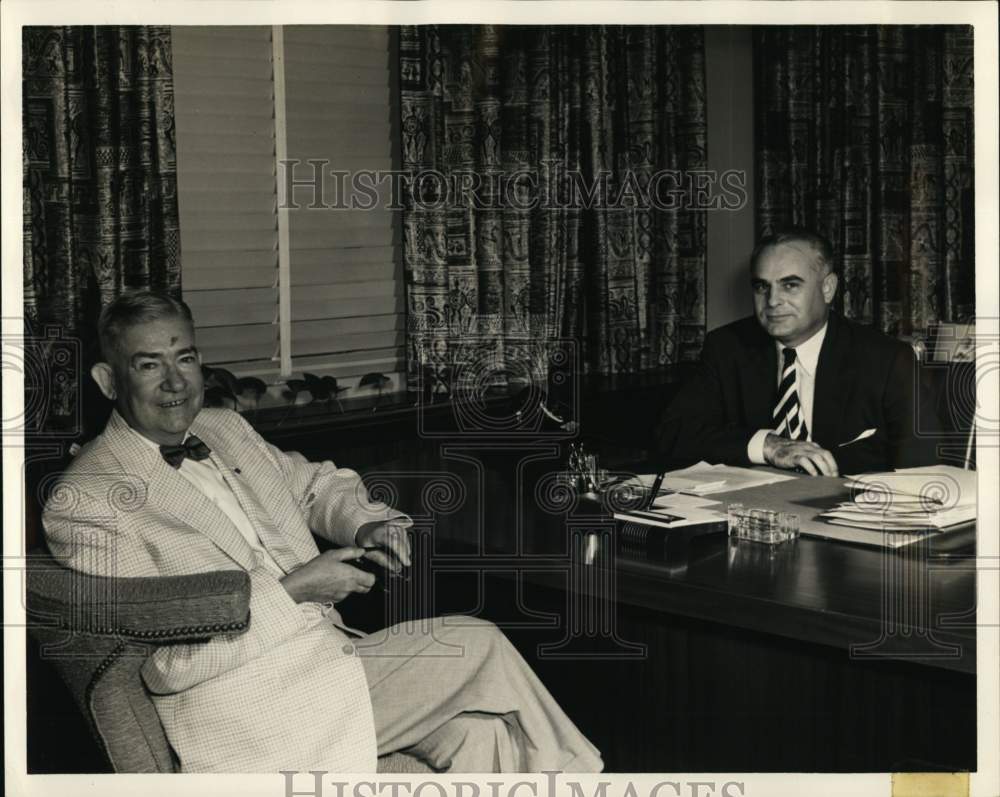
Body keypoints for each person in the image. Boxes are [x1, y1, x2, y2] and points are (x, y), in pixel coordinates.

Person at [42, 291, 603, 774]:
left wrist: (366, 520)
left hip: (328, 663)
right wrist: (293, 592)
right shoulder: (85, 501)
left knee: (485, 737)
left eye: (185, 358)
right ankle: (592, 778)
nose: (175, 383)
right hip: (245, 710)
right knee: (476, 645)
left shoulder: (223, 427)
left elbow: (315, 486)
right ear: (107, 380)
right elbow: (166, 667)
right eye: (148, 365)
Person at [657, 228, 938, 476]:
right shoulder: (727, 348)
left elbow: (922, 469)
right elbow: (673, 433)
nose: (773, 301)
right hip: (753, 516)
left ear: (828, 288)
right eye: (761, 287)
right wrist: (767, 445)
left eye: (790, 285)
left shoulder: (887, 360)